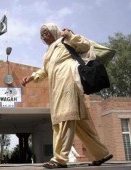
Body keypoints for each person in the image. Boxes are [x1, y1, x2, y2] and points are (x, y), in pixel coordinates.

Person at [21, 23, 113, 169]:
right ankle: (102, 153)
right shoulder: (48, 53)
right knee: (81, 125)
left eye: (46, 33)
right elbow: (45, 70)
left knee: (64, 118)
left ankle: (60, 158)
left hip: (69, 83)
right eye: (41, 35)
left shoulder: (65, 40)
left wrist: (70, 36)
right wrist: (31, 77)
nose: (44, 37)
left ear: (53, 31)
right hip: (57, 88)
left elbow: (85, 46)